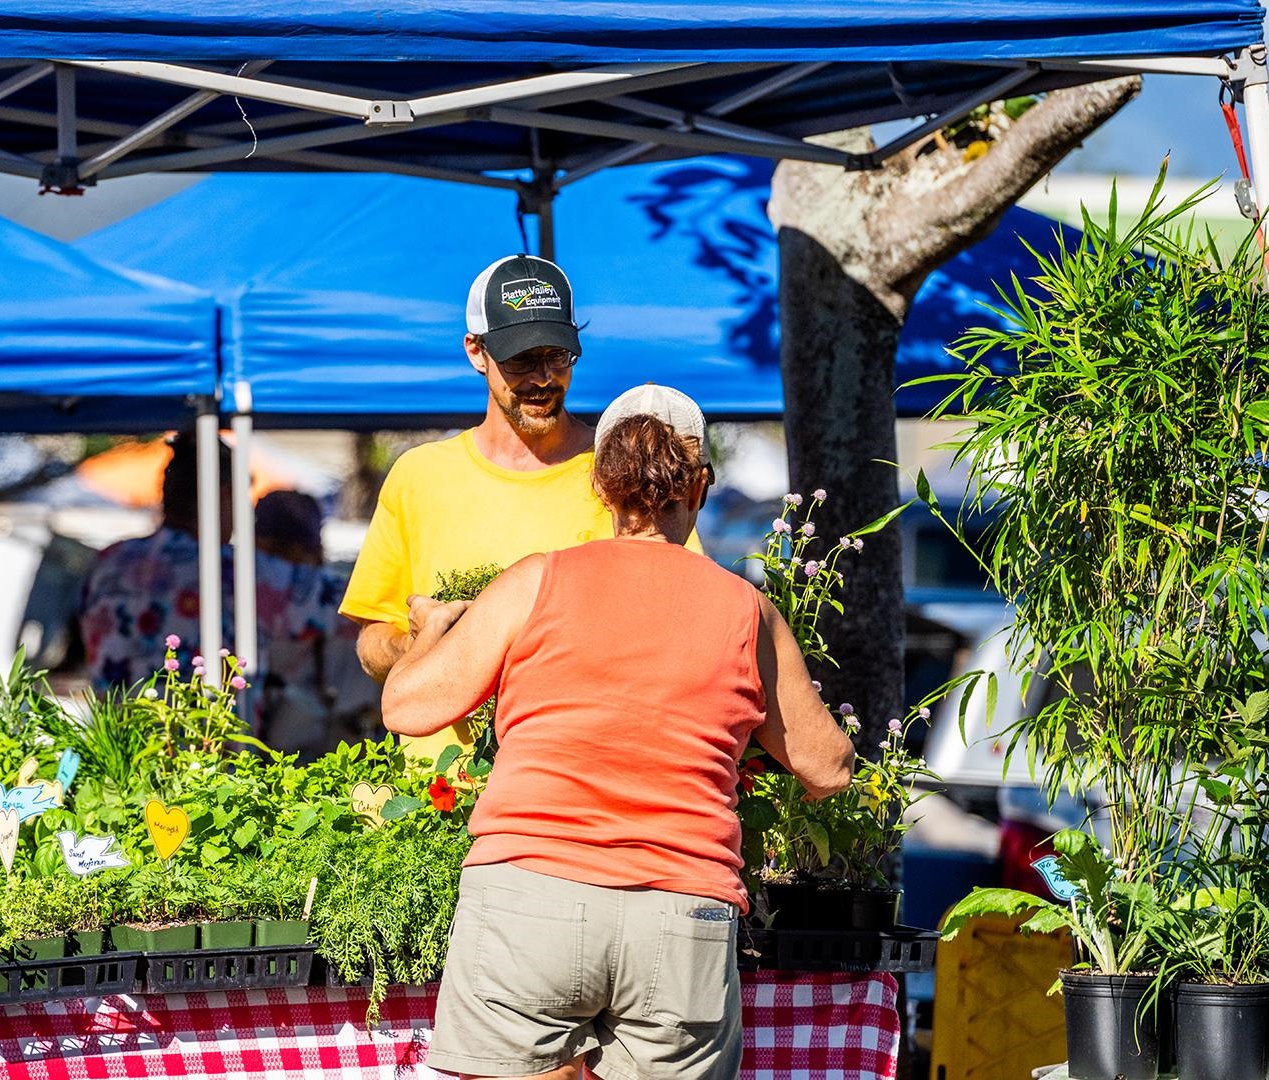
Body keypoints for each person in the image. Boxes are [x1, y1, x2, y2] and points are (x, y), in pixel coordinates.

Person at [382, 385, 855, 1080]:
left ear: (602, 485)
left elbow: (408, 707)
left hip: (529, 897)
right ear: (698, 486)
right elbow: (829, 767)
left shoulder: (534, 583)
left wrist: (429, 631)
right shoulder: (746, 611)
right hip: (681, 913)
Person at [341, 253, 698, 763]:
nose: (543, 378)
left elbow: (685, 612)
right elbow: (371, 638)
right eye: (521, 360)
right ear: (476, 352)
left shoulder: (620, 473)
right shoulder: (420, 476)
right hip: (436, 796)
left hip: (579, 782)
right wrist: (422, 641)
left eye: (558, 357)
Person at [79, 430, 373, 751]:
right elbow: (357, 603)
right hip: (205, 767)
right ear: (221, 495)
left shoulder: (108, 563)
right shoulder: (240, 572)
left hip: (117, 755)